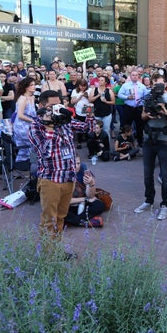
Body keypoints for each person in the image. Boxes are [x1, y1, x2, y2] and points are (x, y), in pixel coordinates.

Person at [28, 89, 94, 240]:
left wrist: (89, 114)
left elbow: (87, 128)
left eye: (59, 104)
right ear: (42, 106)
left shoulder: (64, 120)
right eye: (52, 106)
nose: (57, 108)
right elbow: (46, 152)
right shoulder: (35, 126)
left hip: (68, 178)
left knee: (61, 218)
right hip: (51, 179)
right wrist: (49, 127)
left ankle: (56, 253)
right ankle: (47, 258)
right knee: (49, 221)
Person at [133, 73, 167, 221]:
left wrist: (166, 112)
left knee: (165, 175)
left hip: (164, 141)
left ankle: (165, 205)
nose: (158, 88)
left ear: (165, 84)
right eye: (155, 85)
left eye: (161, 85)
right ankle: (148, 200)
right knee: (147, 173)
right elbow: (142, 116)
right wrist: (148, 115)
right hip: (149, 139)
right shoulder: (148, 97)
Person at [64, 155, 106, 228]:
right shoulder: (61, 175)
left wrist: (91, 184)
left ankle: (76, 220)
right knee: (59, 210)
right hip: (68, 205)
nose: (76, 166)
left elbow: (91, 196)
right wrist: (86, 199)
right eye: (73, 163)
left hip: (82, 204)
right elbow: (64, 201)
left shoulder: (82, 169)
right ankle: (86, 222)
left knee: (100, 205)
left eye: (78, 163)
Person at [12, 77, 37, 165]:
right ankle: (32, 165)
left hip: (29, 125)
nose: (34, 87)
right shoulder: (23, 98)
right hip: (21, 126)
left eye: (34, 84)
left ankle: (25, 164)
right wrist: (33, 121)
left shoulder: (32, 97)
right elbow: (20, 115)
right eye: (31, 85)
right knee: (35, 143)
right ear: (26, 87)